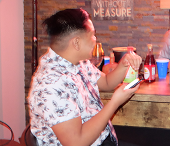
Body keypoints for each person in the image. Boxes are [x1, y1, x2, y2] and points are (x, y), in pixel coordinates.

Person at [28, 8, 142, 146]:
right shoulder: (50, 84)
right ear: (76, 42)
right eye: (92, 35)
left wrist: (124, 64)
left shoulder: (78, 61)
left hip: (102, 138)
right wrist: (114, 102)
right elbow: (77, 142)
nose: (95, 39)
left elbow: (106, 82)